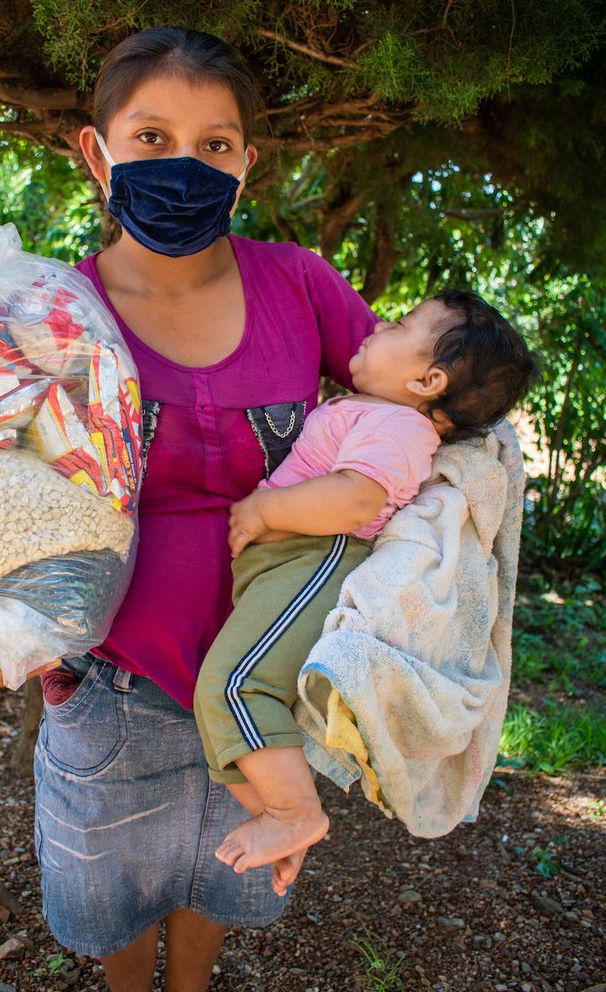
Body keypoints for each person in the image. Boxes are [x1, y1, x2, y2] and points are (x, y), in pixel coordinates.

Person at [0, 26, 379, 992]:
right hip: (106, 688)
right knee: (110, 896)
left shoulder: (300, 287)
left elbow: (414, 418)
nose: (184, 164)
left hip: (265, 697)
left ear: (248, 163)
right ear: (94, 153)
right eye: (150, 135)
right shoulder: (39, 309)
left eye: (216, 143)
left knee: (221, 876)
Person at [192, 290, 537, 891]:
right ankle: (280, 818)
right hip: (287, 563)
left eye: (399, 325)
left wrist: (265, 511)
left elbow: (355, 499)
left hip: (312, 557)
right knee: (219, 697)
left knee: (234, 686)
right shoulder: (377, 412)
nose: (376, 326)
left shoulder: (397, 426)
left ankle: (295, 811)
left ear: (428, 380)